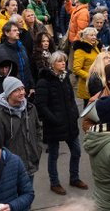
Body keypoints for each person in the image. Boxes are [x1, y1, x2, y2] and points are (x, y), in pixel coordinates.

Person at [35, 51, 86, 195]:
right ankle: (54, 182)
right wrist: (54, 119)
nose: (63, 63)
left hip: (69, 122)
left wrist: (75, 113)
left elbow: (71, 98)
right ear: (52, 64)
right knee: (53, 155)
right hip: (54, 125)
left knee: (76, 151)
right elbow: (41, 105)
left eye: (64, 60)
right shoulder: (44, 81)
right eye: (60, 61)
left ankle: (74, 178)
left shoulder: (65, 78)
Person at [0, 76, 42, 179]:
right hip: (10, 169)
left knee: (29, 193)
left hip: (30, 164)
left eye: (22, 89)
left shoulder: (30, 108)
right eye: (17, 90)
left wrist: (37, 149)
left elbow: (38, 129)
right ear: (8, 93)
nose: (22, 92)